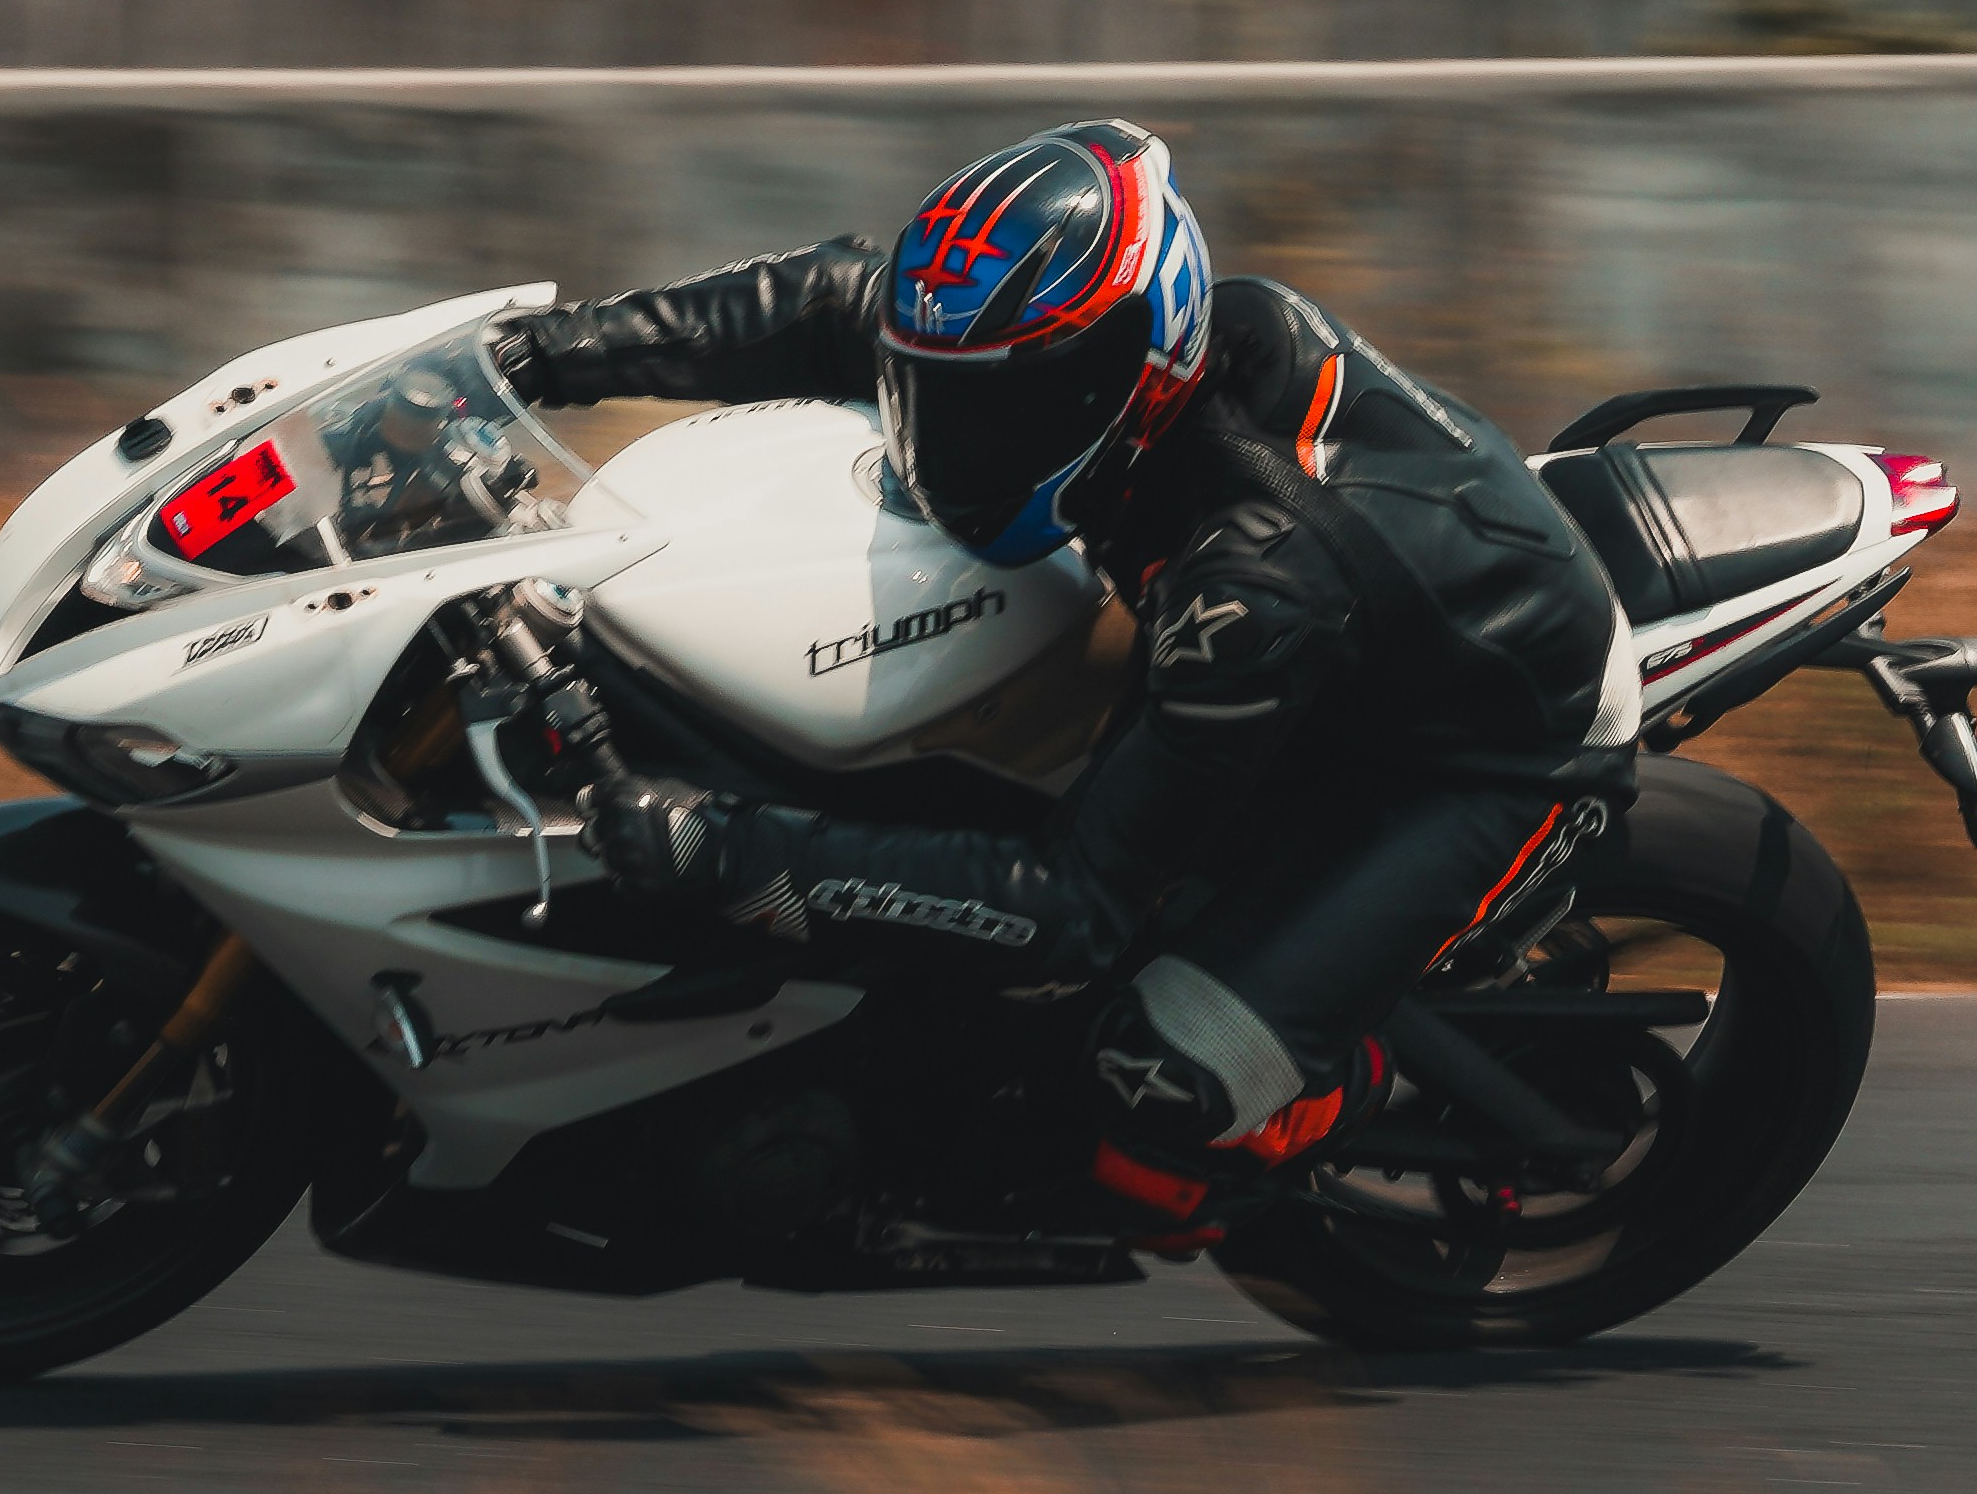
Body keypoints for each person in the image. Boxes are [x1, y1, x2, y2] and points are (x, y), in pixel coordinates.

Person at [489, 119, 1638, 1245]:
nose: (941, 435)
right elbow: (825, 302)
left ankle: (1347, 1078)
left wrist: (733, 852)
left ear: (1128, 375)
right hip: (1342, 639)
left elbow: (1076, 906)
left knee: (1158, 1082)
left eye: (991, 407)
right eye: (922, 388)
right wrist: (550, 351)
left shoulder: (1255, 586)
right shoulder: (1068, 349)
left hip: (1484, 754)